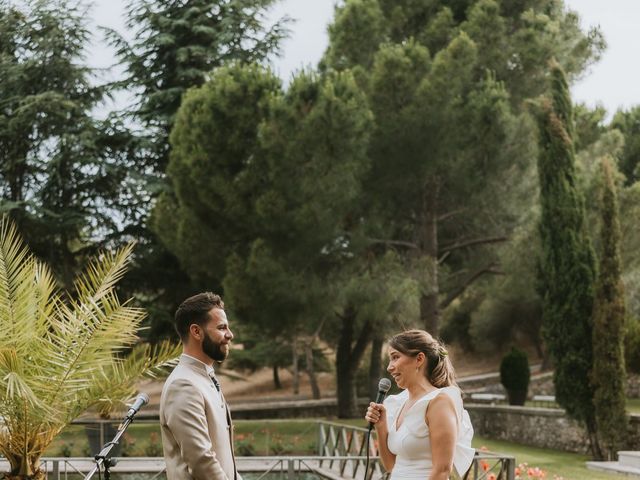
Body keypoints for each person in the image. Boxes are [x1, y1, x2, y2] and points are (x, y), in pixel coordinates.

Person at [365, 329, 474, 480]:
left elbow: (442, 470)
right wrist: (381, 426)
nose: (389, 367)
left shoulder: (439, 402)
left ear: (419, 359)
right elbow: (392, 466)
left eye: (395, 357)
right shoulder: (399, 403)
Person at [160, 292, 240, 480]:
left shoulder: (204, 377)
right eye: (222, 328)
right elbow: (202, 462)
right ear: (196, 331)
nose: (230, 335)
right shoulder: (183, 385)